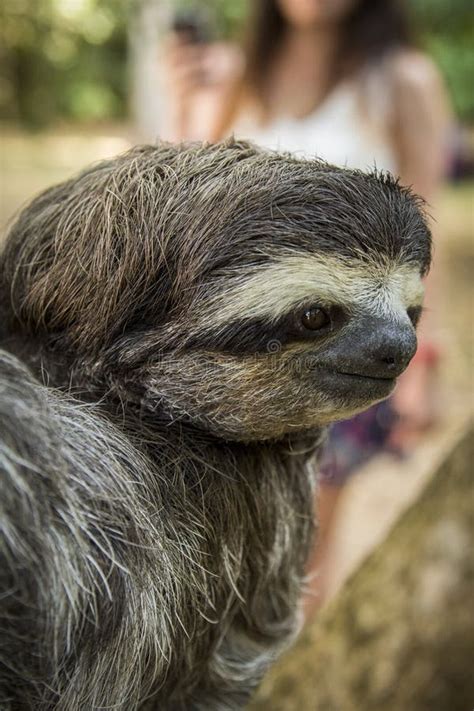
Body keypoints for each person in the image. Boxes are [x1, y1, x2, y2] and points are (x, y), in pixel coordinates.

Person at [161, 0, 451, 612]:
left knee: (302, 545)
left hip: (353, 341)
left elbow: (431, 236)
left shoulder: (403, 80)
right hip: (250, 350)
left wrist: (423, 360)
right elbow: (186, 212)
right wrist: (183, 103)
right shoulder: (236, 74)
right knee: (215, 537)